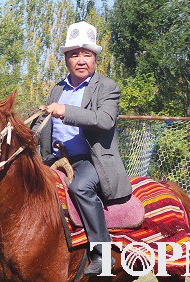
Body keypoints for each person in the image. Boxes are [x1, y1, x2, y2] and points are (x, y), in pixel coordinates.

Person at [38, 21, 132, 275]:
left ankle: (102, 253)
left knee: (80, 187)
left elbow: (105, 120)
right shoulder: (57, 89)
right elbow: (44, 124)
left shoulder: (107, 87)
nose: (81, 60)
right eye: (74, 54)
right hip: (54, 159)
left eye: (87, 54)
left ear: (95, 59)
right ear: (66, 59)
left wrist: (67, 111)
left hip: (90, 161)